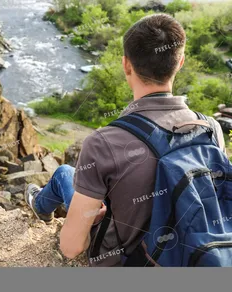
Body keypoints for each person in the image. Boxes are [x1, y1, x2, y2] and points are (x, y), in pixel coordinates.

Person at [24, 13, 226, 267]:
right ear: (181, 62)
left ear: (126, 65)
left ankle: (40, 205)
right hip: (197, 256)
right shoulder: (210, 129)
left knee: (65, 173)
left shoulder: (103, 142)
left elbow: (72, 247)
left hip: (127, 264)